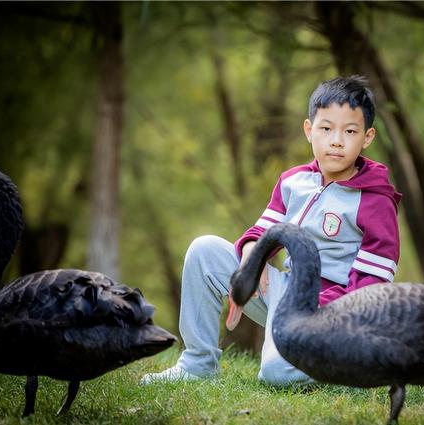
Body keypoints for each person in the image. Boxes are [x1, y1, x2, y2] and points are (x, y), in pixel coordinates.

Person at [140, 75, 402, 386]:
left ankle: (347, 365)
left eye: (349, 131)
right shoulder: (294, 181)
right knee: (204, 250)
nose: (336, 140)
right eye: (326, 128)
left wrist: (331, 322)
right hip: (284, 291)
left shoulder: (375, 200)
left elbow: (374, 284)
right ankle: (198, 364)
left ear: (367, 137)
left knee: (276, 374)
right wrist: (253, 250)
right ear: (309, 130)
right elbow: (263, 230)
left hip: (331, 315)